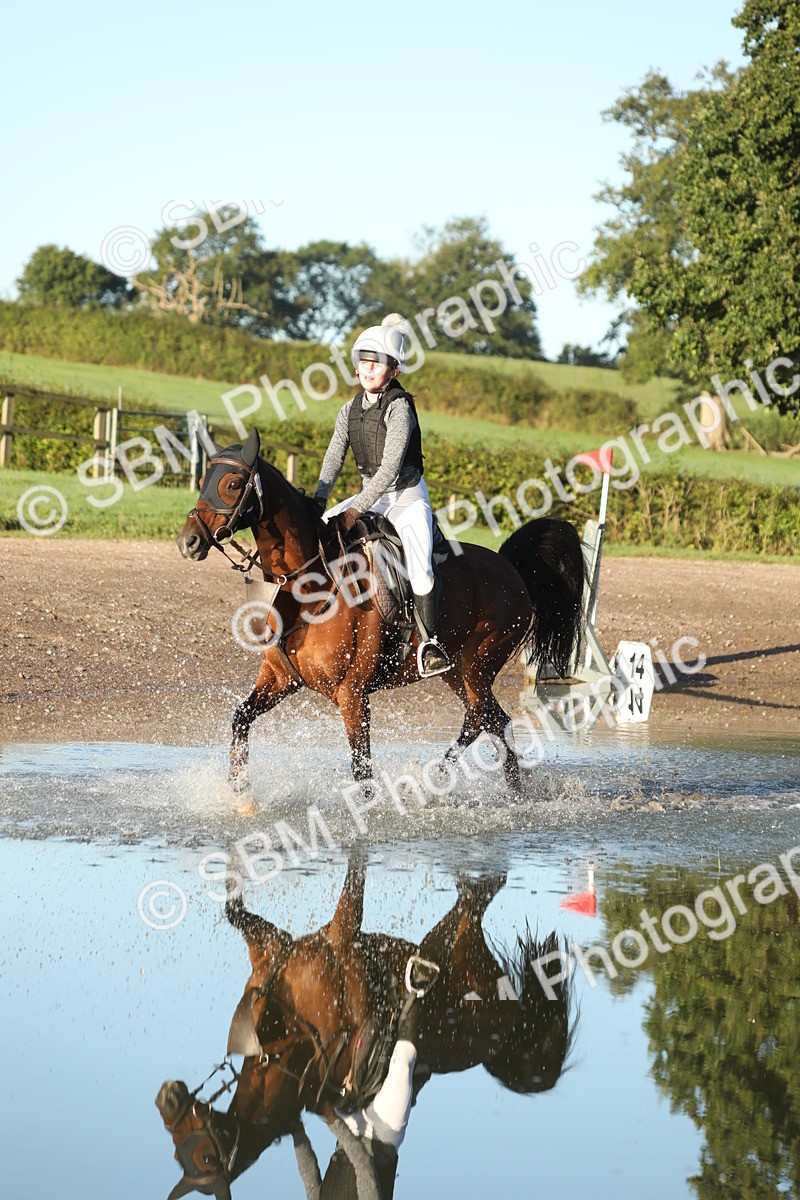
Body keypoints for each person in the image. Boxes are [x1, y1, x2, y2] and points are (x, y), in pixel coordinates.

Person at [313, 314, 451, 678]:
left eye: (377, 362)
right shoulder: (349, 410)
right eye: (364, 361)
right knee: (320, 536)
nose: (368, 368)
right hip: (369, 496)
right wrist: (319, 502)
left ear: (394, 370)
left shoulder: (399, 407)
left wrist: (354, 510)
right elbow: (332, 458)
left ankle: (430, 644)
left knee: (420, 572)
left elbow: (389, 470)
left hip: (406, 498)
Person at [291, 956, 439, 1199]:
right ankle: (416, 990)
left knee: (331, 1077)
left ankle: (365, 987)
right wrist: (333, 1123)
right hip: (384, 1134)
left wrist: (294, 1129)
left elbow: (309, 1175)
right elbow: (364, 1168)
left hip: (351, 1125)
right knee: (402, 1064)